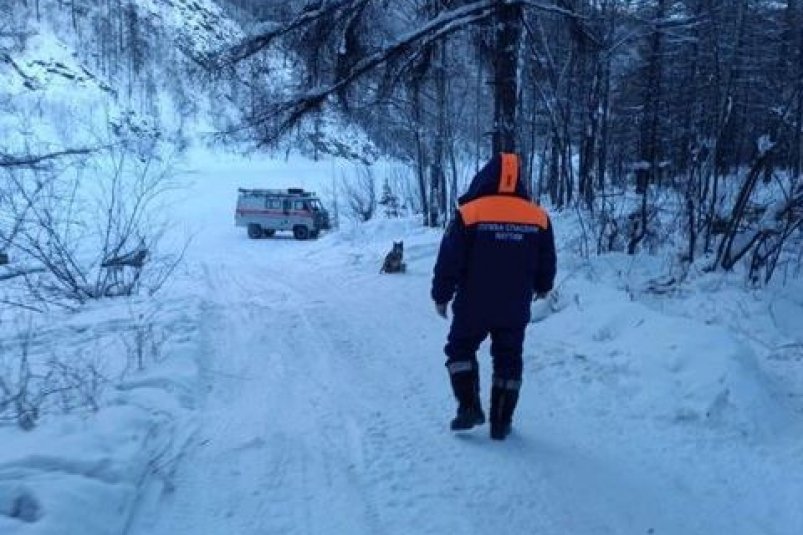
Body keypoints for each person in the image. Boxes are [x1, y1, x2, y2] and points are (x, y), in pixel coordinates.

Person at [431, 153, 556, 440]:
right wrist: (543, 286)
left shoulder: (470, 213)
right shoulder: (538, 217)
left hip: (473, 302)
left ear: (485, 177)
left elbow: (449, 259)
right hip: (515, 305)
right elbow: (546, 259)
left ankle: (468, 408)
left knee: (460, 349)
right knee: (509, 358)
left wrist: (441, 295)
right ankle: (501, 422)